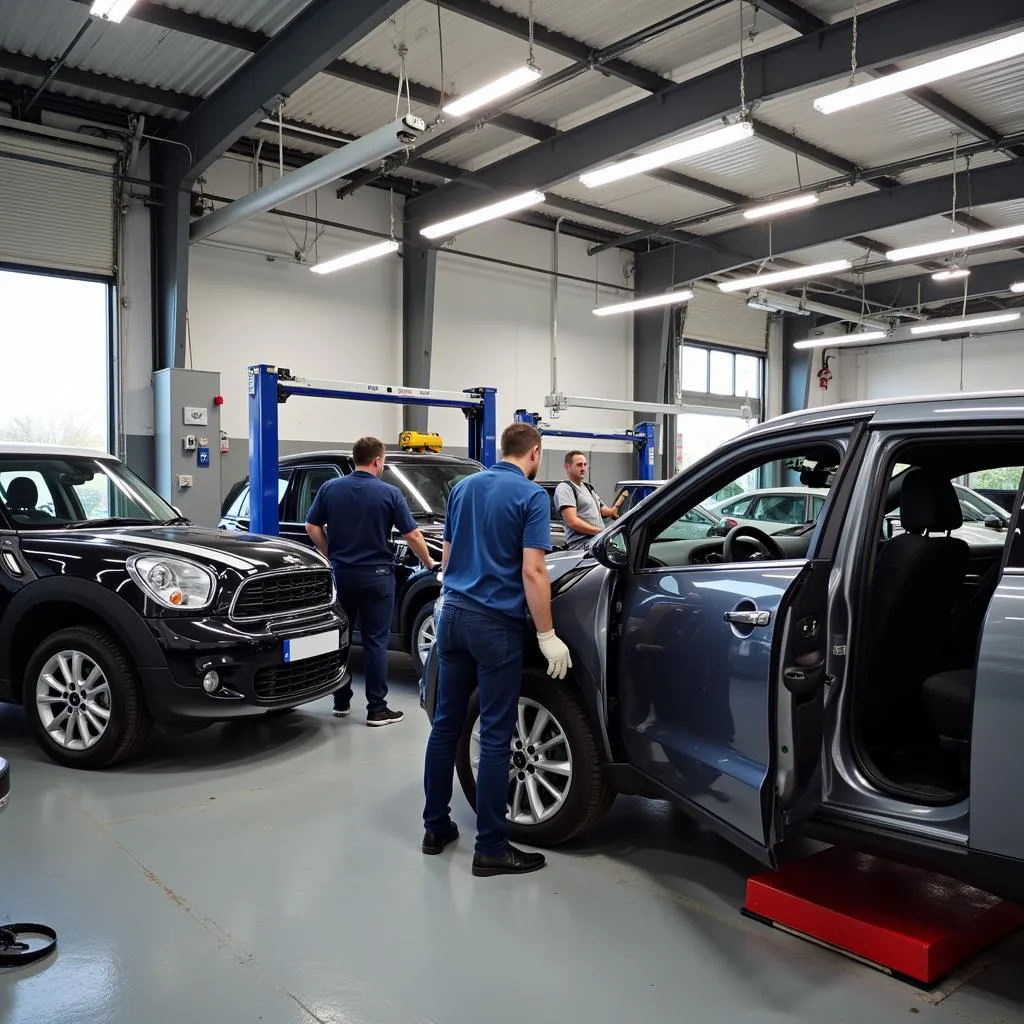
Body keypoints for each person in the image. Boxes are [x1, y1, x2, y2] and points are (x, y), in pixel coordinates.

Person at [421, 422, 572, 877]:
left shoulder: (463, 488)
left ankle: (435, 827)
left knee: (446, 724)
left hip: (451, 618)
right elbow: (534, 572)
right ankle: (490, 846)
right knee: (494, 733)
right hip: (495, 627)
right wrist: (547, 635)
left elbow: (446, 560)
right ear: (535, 454)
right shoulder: (530, 497)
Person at [305, 436, 436, 726]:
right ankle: (377, 709)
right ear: (378, 460)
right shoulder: (389, 492)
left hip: (342, 575)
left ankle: (340, 701)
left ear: (355, 459)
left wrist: (330, 552)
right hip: (377, 577)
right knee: (375, 642)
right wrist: (429, 562)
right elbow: (413, 535)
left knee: (341, 639)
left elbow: (311, 525)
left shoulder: (330, 488)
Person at [554, 450, 623, 550]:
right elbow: (572, 521)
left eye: (585, 465)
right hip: (582, 547)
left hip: (598, 542)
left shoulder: (588, 487)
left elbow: (605, 511)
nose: (583, 468)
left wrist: (618, 506)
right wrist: (601, 532)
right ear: (567, 467)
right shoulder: (565, 488)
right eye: (579, 465)